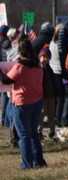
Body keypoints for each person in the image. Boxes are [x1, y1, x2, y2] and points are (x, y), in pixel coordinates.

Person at [1, 37, 46, 169]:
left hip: (22, 102)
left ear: (20, 51)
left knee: (24, 134)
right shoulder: (37, 65)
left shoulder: (20, 66)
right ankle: (39, 161)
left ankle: (27, 163)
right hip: (37, 101)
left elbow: (6, 81)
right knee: (33, 133)